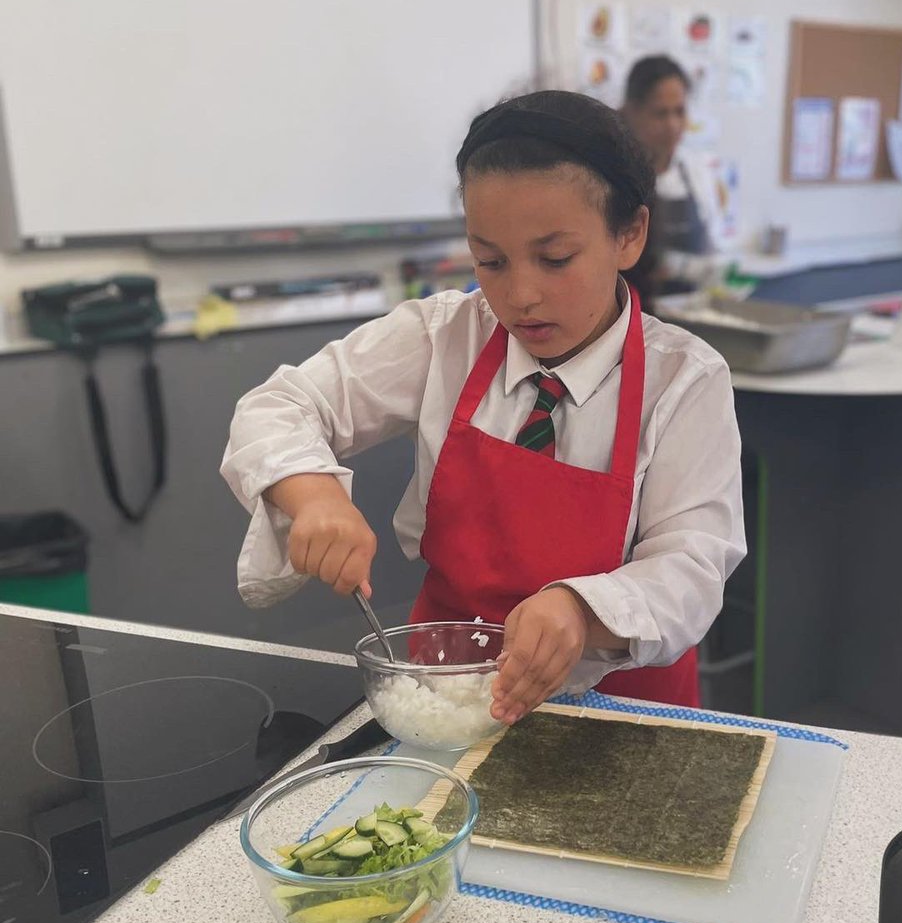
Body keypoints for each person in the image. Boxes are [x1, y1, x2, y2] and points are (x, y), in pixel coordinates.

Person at [220, 90, 745, 721]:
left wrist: (580, 610)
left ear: (629, 235)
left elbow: (692, 565)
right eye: (489, 261)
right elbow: (280, 404)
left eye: (555, 259)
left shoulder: (683, 380)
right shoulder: (446, 335)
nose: (520, 295)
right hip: (451, 691)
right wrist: (312, 494)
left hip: (621, 711)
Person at [622, 55, 725, 299]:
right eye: (660, 114)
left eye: (679, 112)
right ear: (632, 112)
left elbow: (713, 247)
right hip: (638, 317)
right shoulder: (616, 176)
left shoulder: (697, 172)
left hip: (692, 316)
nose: (672, 125)